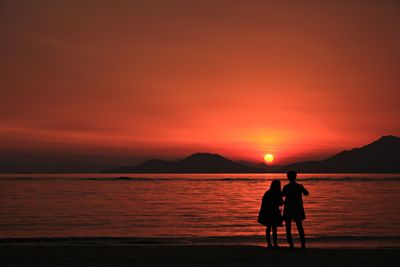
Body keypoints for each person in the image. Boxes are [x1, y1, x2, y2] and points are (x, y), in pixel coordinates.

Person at [282, 170, 309, 249]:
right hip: (298, 208)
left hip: (288, 208)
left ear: (288, 177)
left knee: (288, 227)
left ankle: (291, 244)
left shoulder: (286, 187)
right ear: (295, 177)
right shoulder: (299, 186)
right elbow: (306, 193)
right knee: (299, 226)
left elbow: (281, 195)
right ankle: (303, 244)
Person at [257, 180, 283, 248]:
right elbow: (281, 203)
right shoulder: (277, 193)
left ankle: (269, 243)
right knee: (274, 228)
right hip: (274, 212)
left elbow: (264, 204)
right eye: (279, 185)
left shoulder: (267, 193)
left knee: (269, 228)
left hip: (268, 212)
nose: (280, 186)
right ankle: (275, 243)